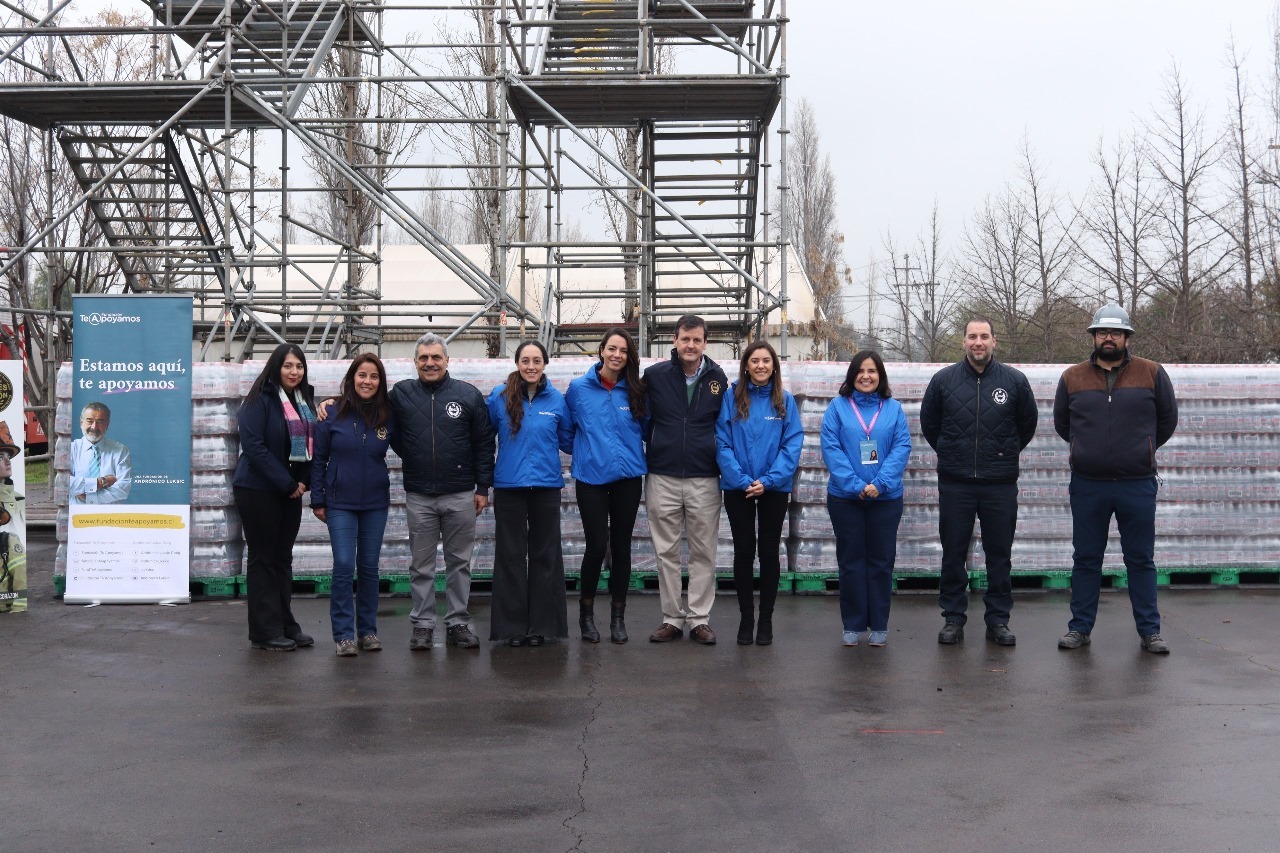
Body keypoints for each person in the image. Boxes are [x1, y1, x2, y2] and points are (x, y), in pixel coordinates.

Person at [1054, 304, 1178, 654]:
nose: (1109, 338)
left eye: (1116, 332)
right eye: (1103, 332)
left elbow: (1166, 421)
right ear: (1093, 337)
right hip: (1088, 484)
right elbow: (1064, 424)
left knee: (1140, 559)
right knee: (1086, 558)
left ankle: (1150, 632)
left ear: (1126, 337)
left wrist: (1143, 449)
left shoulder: (1152, 373)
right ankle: (1079, 629)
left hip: (1137, 483)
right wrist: (1086, 450)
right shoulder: (1072, 377)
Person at [920, 318, 1038, 647]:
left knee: (999, 555)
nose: (978, 342)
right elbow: (930, 424)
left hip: (999, 484)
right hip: (956, 483)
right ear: (963, 342)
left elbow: (1026, 425)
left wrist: (1003, 454)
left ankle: (998, 620)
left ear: (994, 341)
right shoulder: (943, 381)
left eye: (984, 336)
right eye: (972, 336)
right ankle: (953, 619)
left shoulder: (1014, 381)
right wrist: (952, 453)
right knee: (953, 554)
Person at [395, 332, 495, 650]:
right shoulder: (400, 394)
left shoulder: (467, 395)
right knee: (421, 565)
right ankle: (423, 625)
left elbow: (483, 445)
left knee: (459, 563)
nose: (430, 363)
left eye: (436, 357)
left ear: (447, 360)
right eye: (423, 358)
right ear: (415, 362)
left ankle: (458, 623)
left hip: (460, 494)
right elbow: (370, 412)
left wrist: (482, 487)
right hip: (420, 495)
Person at [644, 314, 729, 645]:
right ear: (674, 342)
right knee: (665, 551)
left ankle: (698, 619)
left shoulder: (718, 379)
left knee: (703, 551)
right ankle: (671, 618)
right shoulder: (654, 377)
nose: (690, 345)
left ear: (705, 343)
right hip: (662, 474)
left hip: (704, 477)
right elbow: (640, 418)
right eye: (685, 339)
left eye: (697, 339)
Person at [485, 340, 574, 646]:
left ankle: (541, 628)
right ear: (517, 363)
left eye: (537, 360)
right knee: (510, 557)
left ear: (545, 364)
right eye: (525, 360)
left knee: (544, 557)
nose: (531, 366)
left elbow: (569, 440)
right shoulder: (499, 397)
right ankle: (511, 629)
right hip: (509, 488)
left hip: (546, 488)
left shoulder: (556, 400)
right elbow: (482, 436)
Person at [715, 339, 802, 646]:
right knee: (743, 551)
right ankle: (746, 618)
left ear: (774, 366)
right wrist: (740, 479)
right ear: (746, 365)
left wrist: (769, 479)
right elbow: (722, 442)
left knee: (768, 552)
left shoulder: (784, 401)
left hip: (773, 488)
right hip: (738, 488)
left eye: (766, 361)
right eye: (755, 361)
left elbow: (792, 444)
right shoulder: (731, 398)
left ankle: (765, 620)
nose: (761, 366)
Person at [821, 351, 911, 648]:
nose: (866, 376)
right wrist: (856, 484)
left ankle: (880, 625)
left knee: (881, 562)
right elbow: (831, 447)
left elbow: (901, 447)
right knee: (850, 562)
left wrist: (880, 484)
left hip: (885, 499)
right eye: (860, 371)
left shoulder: (893, 408)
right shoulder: (837, 407)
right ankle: (853, 624)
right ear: (852, 375)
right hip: (846, 498)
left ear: (880, 375)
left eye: (872, 371)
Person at [565, 327, 648, 644]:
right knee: (597, 546)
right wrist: (587, 452)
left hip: (628, 479)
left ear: (629, 357)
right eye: (612, 348)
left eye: (624, 351)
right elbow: (566, 431)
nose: (617, 355)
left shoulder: (636, 391)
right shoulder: (578, 389)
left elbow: (647, 428)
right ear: (601, 351)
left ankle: (618, 618)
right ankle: (586, 617)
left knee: (622, 548)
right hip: (591, 480)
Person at [311, 354, 396, 657]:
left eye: (374, 377)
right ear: (351, 378)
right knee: (345, 565)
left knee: (369, 568)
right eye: (362, 375)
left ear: (380, 382)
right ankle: (344, 634)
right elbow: (319, 459)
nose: (367, 381)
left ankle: (368, 631)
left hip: (375, 501)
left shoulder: (388, 414)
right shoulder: (331, 414)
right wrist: (318, 498)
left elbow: (411, 444)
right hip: (340, 502)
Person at [233, 343, 317, 651]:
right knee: (263, 559)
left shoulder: (304, 400)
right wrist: (286, 483)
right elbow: (254, 447)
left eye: (299, 366)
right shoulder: (259, 400)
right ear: (275, 368)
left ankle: (286, 624)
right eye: (288, 366)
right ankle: (265, 631)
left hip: (290, 490)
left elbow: (312, 445)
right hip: (257, 490)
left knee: (282, 559)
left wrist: (303, 482)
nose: (294, 372)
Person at [69, 402, 132, 504]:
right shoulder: (70, 449)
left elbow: (123, 488)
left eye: (100, 422)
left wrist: (88, 498)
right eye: (89, 421)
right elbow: (65, 483)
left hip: (110, 516)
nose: (94, 427)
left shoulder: (121, 451)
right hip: (77, 514)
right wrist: (101, 482)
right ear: (81, 423)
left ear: (107, 425)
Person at [0, 422, 25, 613]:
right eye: (1, 457)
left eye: (9, 456)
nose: (8, 461)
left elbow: (19, 568)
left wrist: (19, 608)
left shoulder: (19, 499)